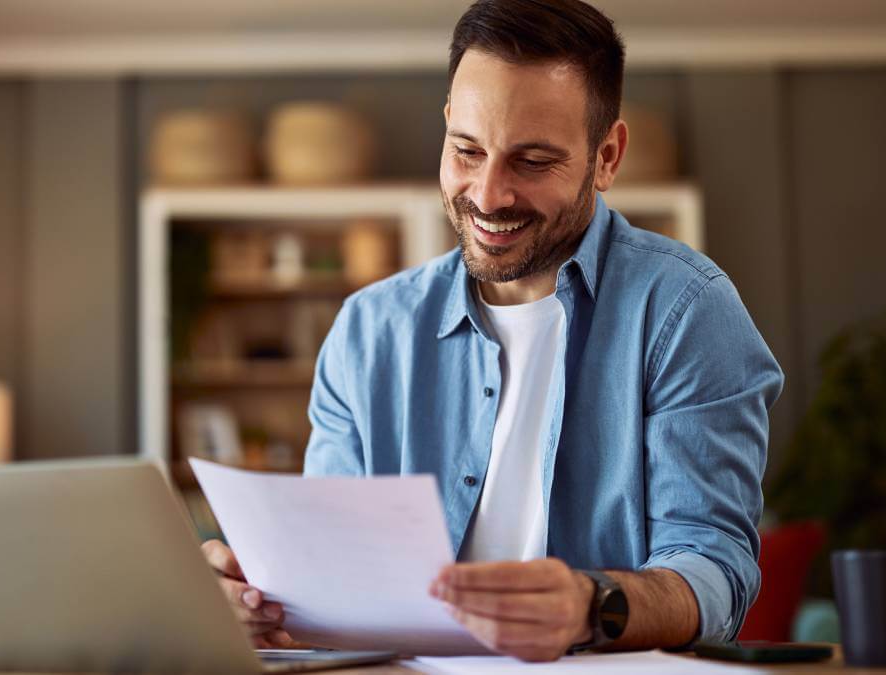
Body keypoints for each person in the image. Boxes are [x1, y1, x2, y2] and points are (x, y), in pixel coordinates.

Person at [202, 0, 783, 662]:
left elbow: (715, 572)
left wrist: (593, 603)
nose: (489, 193)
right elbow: (328, 584)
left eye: (533, 160)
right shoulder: (368, 334)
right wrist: (257, 601)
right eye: (468, 150)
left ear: (606, 156)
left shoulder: (686, 312)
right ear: (447, 126)